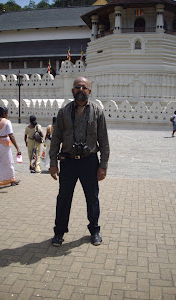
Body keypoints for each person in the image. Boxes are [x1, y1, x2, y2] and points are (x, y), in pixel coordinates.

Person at [49, 76, 110, 247]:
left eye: (84, 88)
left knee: (92, 198)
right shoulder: (64, 112)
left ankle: (95, 230)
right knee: (63, 198)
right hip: (68, 162)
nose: (81, 90)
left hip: (89, 162)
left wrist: (103, 165)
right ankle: (59, 232)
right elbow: (56, 139)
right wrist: (53, 163)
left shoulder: (97, 111)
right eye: (78, 87)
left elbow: (104, 141)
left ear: (89, 91)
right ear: (72, 91)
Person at [0, 107, 21, 191]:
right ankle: (11, 180)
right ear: (4, 113)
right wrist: (17, 148)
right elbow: (11, 136)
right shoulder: (6, 122)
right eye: (7, 113)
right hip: (4, 145)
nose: (8, 115)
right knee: (8, 162)